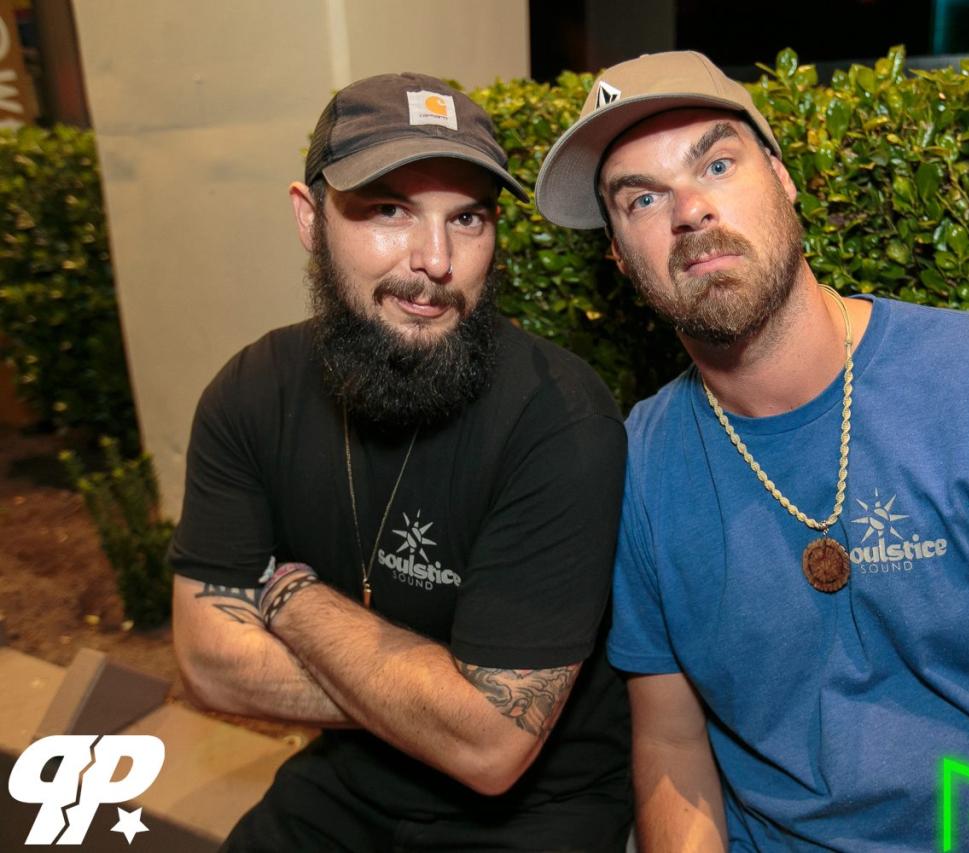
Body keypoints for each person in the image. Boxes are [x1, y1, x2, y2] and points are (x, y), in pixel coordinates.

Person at [535, 51, 969, 851]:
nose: (689, 209)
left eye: (716, 164)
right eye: (642, 198)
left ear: (783, 178)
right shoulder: (640, 467)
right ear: (620, 256)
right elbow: (673, 750)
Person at [169, 72, 632, 851]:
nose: (434, 261)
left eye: (468, 218)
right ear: (310, 218)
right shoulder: (252, 391)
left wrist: (291, 597)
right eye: (389, 210)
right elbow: (207, 661)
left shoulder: (560, 419)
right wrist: (437, 706)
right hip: (348, 779)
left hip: (537, 810)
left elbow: (492, 746)